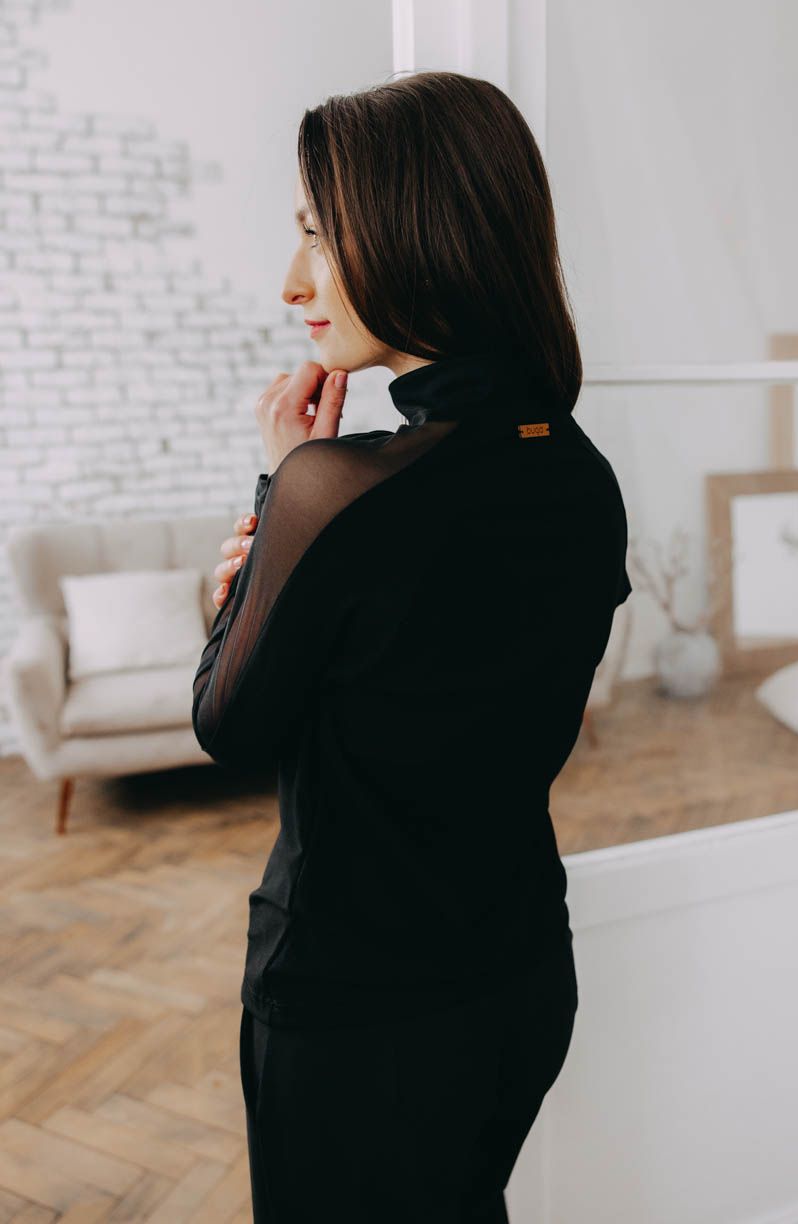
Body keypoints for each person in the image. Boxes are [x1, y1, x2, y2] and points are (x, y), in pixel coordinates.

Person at [192, 70, 631, 1224]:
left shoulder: (340, 492)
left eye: (316, 235)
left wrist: (279, 491)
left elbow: (227, 723)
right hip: (518, 979)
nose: (292, 282)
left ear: (415, 231)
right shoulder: (580, 474)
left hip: (354, 1007)